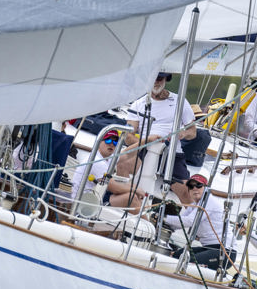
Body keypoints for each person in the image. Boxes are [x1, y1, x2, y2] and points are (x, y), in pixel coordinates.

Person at [124, 72, 197, 203]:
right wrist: (148, 142)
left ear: (166, 79)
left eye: (159, 78)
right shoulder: (138, 104)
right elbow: (128, 137)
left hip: (172, 152)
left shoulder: (180, 101)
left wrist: (183, 134)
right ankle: (121, 205)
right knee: (122, 169)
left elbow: (193, 132)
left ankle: (189, 216)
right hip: (144, 149)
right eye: (153, 78)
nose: (156, 82)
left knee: (187, 194)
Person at [165, 174, 241, 272]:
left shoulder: (209, 201)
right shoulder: (194, 205)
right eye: (191, 186)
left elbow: (190, 221)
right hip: (209, 248)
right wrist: (162, 223)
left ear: (206, 188)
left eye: (199, 185)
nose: (194, 188)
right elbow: (181, 221)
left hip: (225, 252)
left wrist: (164, 218)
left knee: (187, 262)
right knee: (177, 255)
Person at [72, 129, 147, 212]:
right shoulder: (98, 161)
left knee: (133, 192)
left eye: (115, 142)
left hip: (94, 195)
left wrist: (147, 141)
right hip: (83, 202)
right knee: (131, 198)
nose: (111, 144)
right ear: (99, 142)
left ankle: (140, 217)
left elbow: (128, 154)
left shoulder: (107, 157)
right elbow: (115, 188)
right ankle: (143, 219)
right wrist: (135, 190)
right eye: (108, 140)